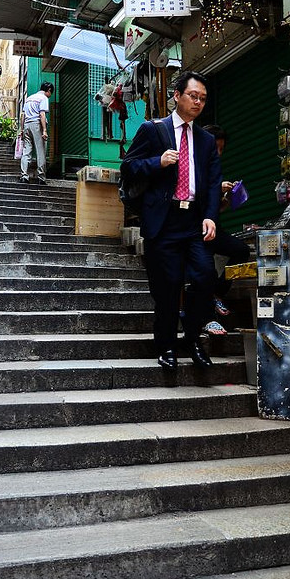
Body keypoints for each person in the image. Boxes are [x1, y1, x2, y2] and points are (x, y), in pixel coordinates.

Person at [120, 71, 222, 371]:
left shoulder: (205, 140)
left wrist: (210, 217)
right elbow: (128, 167)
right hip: (163, 222)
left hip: (193, 222)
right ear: (177, 95)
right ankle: (165, 345)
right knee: (167, 287)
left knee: (205, 278)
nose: (198, 102)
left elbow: (214, 182)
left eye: (203, 98)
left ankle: (191, 339)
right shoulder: (154, 131)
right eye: (193, 96)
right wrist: (157, 162)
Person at [201, 124, 251, 336]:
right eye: (216, 148)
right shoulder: (193, 165)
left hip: (214, 228)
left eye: (222, 149)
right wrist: (214, 188)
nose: (219, 153)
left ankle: (218, 294)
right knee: (205, 271)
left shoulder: (214, 168)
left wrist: (224, 200)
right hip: (195, 231)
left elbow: (214, 207)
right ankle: (208, 319)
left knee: (241, 250)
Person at [19, 82, 54, 185]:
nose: (50, 95)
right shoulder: (43, 98)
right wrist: (44, 130)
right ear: (49, 90)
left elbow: (23, 115)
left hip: (26, 125)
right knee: (41, 151)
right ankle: (41, 177)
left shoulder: (29, 98)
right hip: (36, 125)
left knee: (26, 152)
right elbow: (42, 115)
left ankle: (24, 176)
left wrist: (22, 130)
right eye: (50, 92)